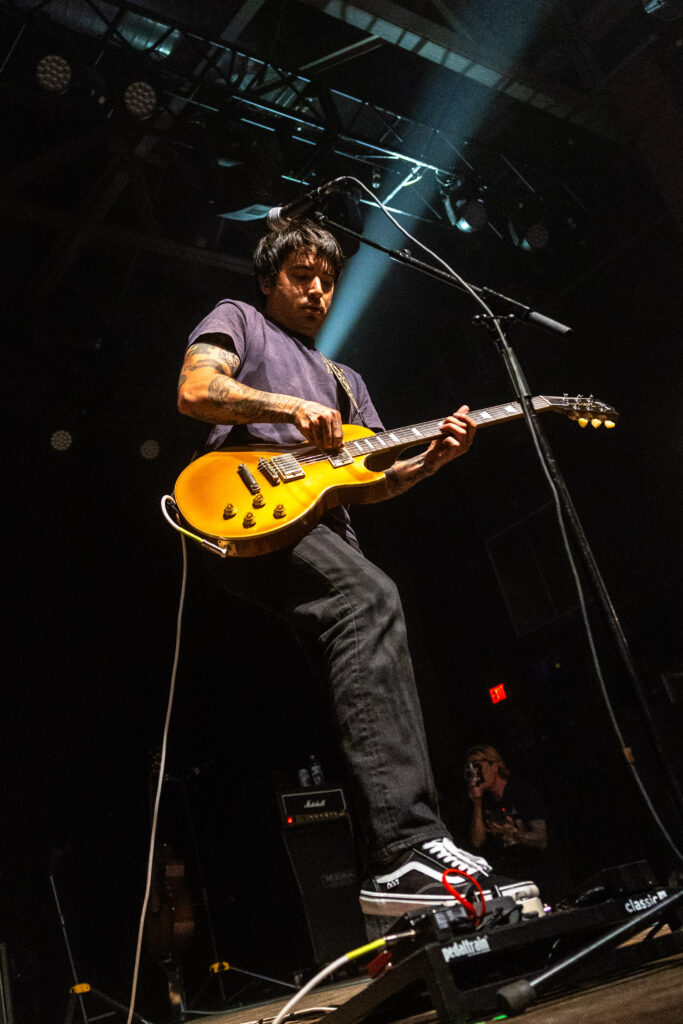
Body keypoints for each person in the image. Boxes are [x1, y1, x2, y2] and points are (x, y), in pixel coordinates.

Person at [176, 221, 541, 918]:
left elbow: (370, 481)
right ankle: (404, 847)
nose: (316, 289)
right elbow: (196, 390)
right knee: (371, 598)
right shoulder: (241, 321)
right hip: (244, 509)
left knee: (377, 624)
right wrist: (286, 406)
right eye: (299, 277)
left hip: (324, 528)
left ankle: (414, 854)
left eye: (326, 279)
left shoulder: (346, 380)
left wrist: (433, 459)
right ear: (268, 281)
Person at [465, 744, 548, 884]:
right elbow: (477, 842)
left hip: (535, 868)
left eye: (477, 766)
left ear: (494, 766)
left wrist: (513, 833)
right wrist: (477, 804)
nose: (475, 773)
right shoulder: (483, 801)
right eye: (470, 769)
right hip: (507, 871)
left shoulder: (521, 792)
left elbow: (541, 840)